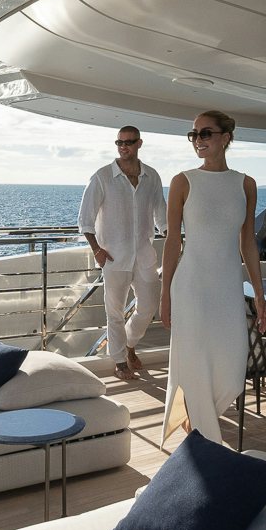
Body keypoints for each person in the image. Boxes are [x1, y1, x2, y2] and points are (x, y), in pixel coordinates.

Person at [159, 110, 266, 446]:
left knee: (232, 371)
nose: (198, 141)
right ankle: (205, 446)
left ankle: (193, 419)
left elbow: (247, 242)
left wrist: (260, 297)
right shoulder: (183, 181)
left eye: (205, 133)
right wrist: (165, 294)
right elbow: (172, 241)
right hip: (190, 287)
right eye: (193, 134)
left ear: (225, 138)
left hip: (227, 289)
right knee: (194, 365)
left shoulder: (245, 184)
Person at [78, 125, 166, 381]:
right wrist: (97, 250)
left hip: (144, 255)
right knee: (114, 311)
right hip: (113, 256)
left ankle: (128, 345)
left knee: (148, 307)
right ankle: (119, 362)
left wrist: (175, 238)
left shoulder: (152, 176)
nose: (123, 146)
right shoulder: (102, 176)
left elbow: (162, 214)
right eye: (119, 142)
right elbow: (85, 219)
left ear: (140, 144)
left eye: (129, 142)